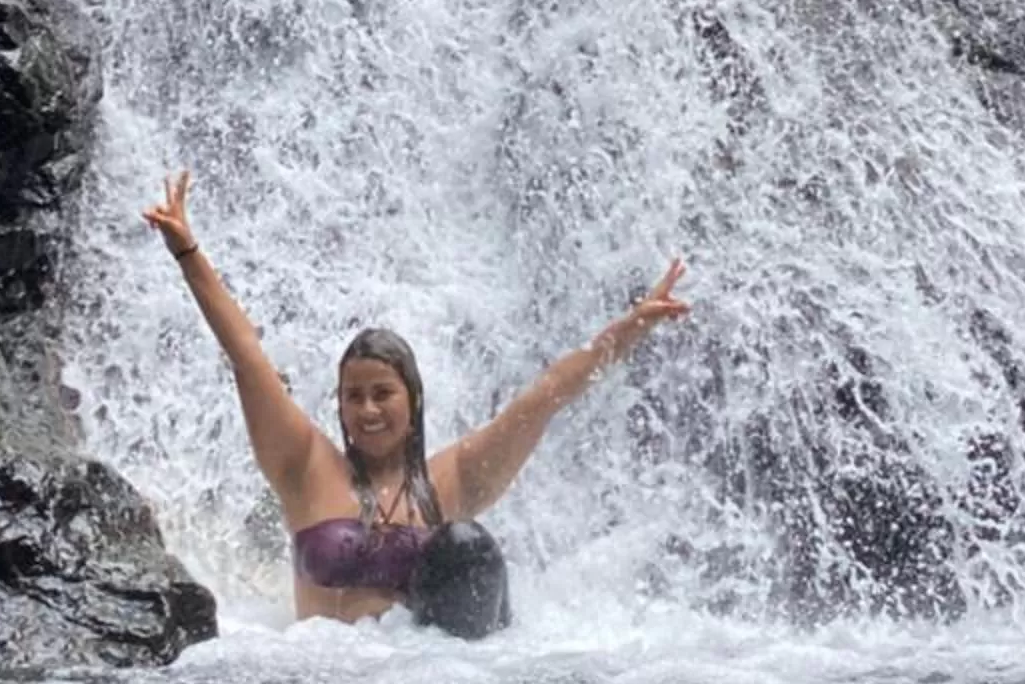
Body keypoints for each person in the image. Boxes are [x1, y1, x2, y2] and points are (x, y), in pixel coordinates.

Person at [142, 168, 690, 632]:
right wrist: (187, 251)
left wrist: (628, 329)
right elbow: (249, 360)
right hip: (323, 682)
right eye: (353, 397)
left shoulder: (454, 478)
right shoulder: (305, 465)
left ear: (413, 401)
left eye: (383, 394)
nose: (368, 409)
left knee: (466, 543)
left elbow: (543, 398)